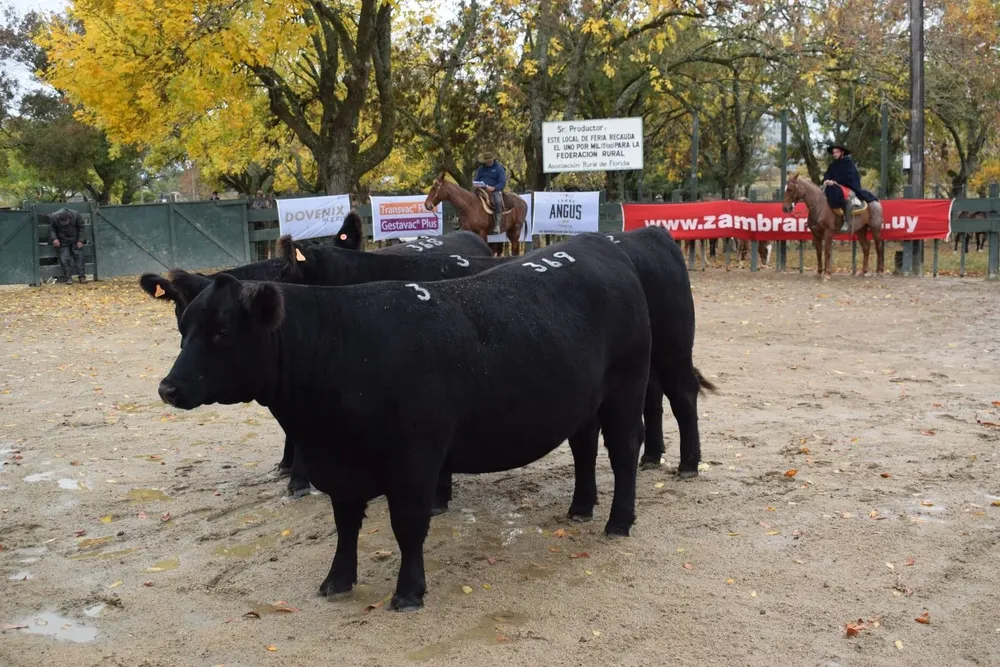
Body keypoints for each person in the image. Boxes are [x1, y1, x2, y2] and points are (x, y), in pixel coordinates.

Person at [823, 144, 878, 231]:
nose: (835, 154)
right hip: (832, 186)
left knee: (844, 197)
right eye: (834, 153)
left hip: (847, 186)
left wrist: (835, 181)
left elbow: (849, 177)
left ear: (842, 152)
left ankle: (846, 221)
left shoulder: (849, 164)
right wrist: (827, 180)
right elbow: (827, 174)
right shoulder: (832, 165)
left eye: (837, 152)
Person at [48, 208, 86, 284]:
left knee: (79, 257)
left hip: (75, 240)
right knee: (64, 259)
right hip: (62, 241)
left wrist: (81, 240)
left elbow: (81, 227)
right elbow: (52, 229)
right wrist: (55, 239)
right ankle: (68, 278)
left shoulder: (76, 214)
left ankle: (82, 277)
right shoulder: (53, 217)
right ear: (58, 218)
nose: (64, 223)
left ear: (69, 216)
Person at [473, 151, 506, 234]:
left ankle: (497, 225)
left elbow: (502, 182)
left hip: (494, 190)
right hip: (481, 189)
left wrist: (494, 188)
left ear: (492, 160)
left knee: (498, 201)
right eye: (486, 161)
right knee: (469, 198)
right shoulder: (481, 169)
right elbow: (476, 179)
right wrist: (476, 184)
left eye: (489, 161)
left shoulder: (499, 168)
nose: (488, 163)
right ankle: (461, 220)